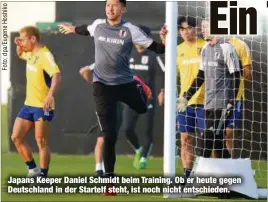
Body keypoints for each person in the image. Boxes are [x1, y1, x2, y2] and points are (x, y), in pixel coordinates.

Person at [59, 0, 166, 195]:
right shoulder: (98, 25)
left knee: (142, 108)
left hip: (125, 84)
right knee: (109, 135)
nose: (110, 8)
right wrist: (72, 29)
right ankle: (109, 183)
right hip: (102, 87)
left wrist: (166, 40)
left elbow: (159, 49)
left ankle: (139, 84)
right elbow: (85, 29)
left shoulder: (131, 31)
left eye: (115, 5)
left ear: (123, 9)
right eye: (108, 5)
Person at [177, 19, 241, 159]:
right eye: (202, 27)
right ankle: (233, 172)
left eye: (205, 27)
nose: (202, 30)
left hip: (223, 103)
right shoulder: (206, 48)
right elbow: (201, 76)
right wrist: (186, 97)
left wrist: (231, 102)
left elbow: (236, 76)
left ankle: (199, 174)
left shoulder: (226, 48)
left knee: (207, 139)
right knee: (217, 143)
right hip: (208, 104)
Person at [79, 63, 152, 174]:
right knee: (102, 138)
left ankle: (105, 170)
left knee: (109, 138)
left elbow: (134, 79)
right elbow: (83, 70)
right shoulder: (102, 63)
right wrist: (93, 82)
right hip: (103, 104)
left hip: (117, 106)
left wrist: (143, 87)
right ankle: (99, 169)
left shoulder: (121, 67)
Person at [158, 16, 206, 180]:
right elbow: (172, 74)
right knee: (185, 138)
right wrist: (164, 90)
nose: (186, 32)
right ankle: (187, 176)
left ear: (197, 29)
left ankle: (213, 174)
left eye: (189, 28)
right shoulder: (177, 50)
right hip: (184, 102)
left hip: (207, 101)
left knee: (209, 140)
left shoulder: (205, 46)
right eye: (182, 29)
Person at [12, 26, 61, 178]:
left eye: (23, 39)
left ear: (33, 39)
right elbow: (20, 54)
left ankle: (43, 176)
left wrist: (50, 95)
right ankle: (33, 169)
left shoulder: (45, 55)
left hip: (42, 106)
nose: (22, 42)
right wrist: (18, 45)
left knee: (41, 141)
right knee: (16, 137)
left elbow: (56, 75)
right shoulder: (30, 53)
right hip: (29, 105)